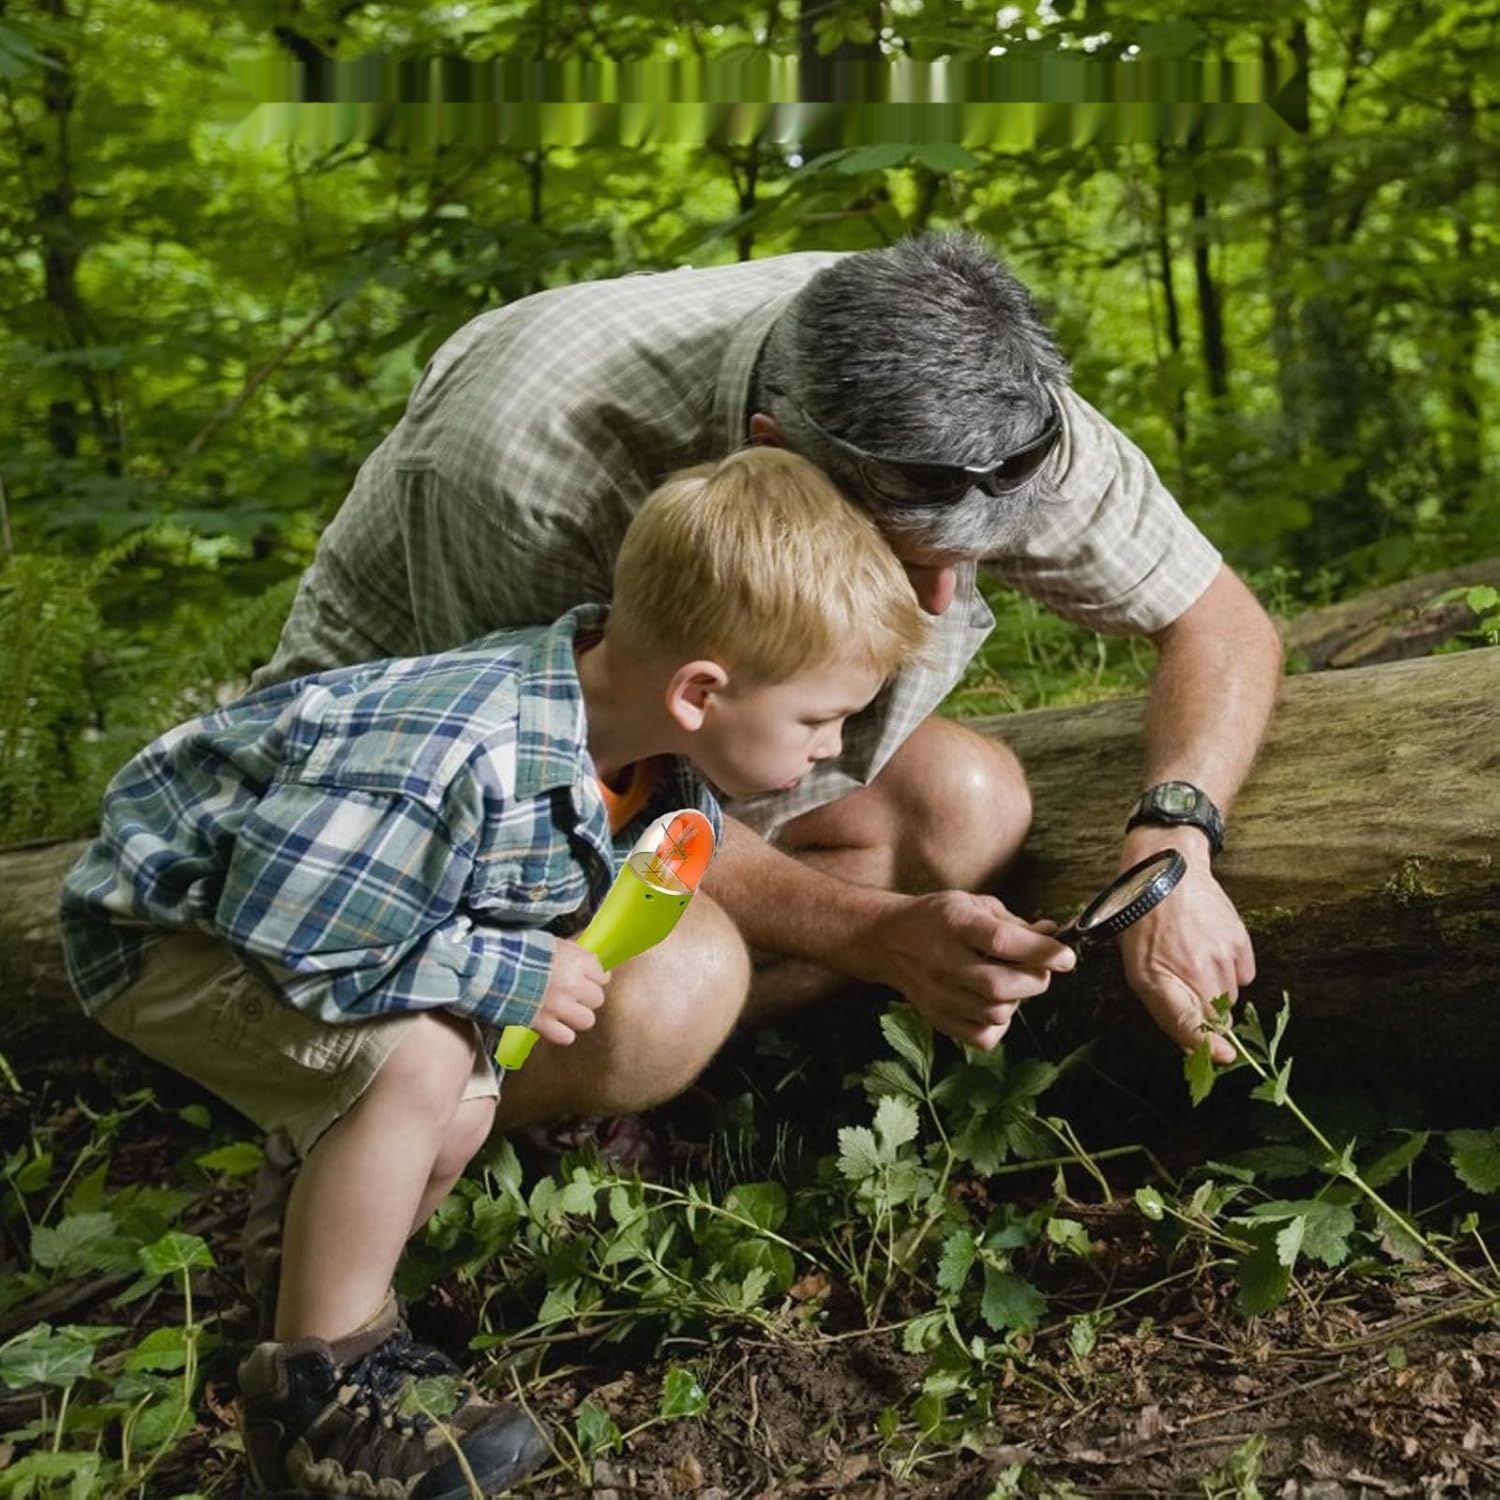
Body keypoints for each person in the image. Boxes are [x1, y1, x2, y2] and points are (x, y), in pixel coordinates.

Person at [58, 448, 933, 1500]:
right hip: (171, 932)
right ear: (702, 689)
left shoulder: (647, 760)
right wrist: (505, 969)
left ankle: (324, 1304)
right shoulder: (457, 748)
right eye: (817, 719)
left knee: (465, 1103)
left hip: (326, 921)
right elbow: (284, 919)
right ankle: (315, 1400)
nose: (833, 749)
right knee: (419, 1060)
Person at [255, 231, 1282, 1084]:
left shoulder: (989, 404)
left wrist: (1172, 845)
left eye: (974, 563)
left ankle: (672, 1073)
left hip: (675, 763)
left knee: (966, 802)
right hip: (408, 822)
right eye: (904, 559)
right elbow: (559, 790)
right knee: (671, 984)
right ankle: (372, 1128)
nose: (938, 602)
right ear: (772, 451)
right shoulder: (536, 462)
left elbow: (1218, 624)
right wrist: (872, 933)